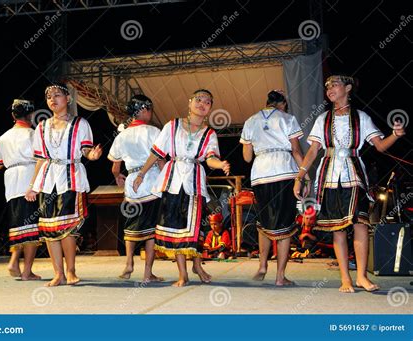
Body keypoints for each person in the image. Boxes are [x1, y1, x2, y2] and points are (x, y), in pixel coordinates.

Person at [293, 75, 405, 293]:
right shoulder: (322, 119)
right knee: (338, 228)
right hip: (328, 176)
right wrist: (300, 177)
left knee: (360, 223)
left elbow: (380, 146)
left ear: (348, 88)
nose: (329, 89)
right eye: (326, 86)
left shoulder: (361, 117)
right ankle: (345, 278)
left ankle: (362, 276)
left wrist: (395, 135)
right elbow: (313, 151)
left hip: (354, 174)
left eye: (334, 84)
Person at [133, 89, 230, 287]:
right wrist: (141, 174)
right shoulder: (172, 126)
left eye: (208, 102)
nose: (202, 104)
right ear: (189, 102)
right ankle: (183, 273)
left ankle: (197, 265)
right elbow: (157, 153)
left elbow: (210, 158)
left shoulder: (209, 133)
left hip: (194, 181)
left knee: (195, 228)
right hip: (172, 179)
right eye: (199, 99)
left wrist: (220, 165)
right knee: (174, 227)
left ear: (210, 108)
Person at [25, 83, 102, 287]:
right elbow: (40, 159)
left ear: (68, 99)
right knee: (50, 228)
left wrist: (92, 155)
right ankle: (58, 273)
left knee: (68, 227)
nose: (52, 99)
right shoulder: (41, 127)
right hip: (48, 179)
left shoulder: (80, 124)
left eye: (57, 95)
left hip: (71, 177)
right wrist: (33, 185)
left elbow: (86, 149)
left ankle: (71, 270)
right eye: (49, 96)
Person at [240, 90, 307, 286]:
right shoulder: (287, 118)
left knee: (264, 221)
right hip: (284, 170)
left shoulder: (251, 120)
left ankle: (262, 266)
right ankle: (280, 277)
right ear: (283, 104)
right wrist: (305, 175)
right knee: (285, 224)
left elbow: (246, 157)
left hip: (260, 173)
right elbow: (295, 150)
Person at [108, 94, 164, 282]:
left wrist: (118, 177)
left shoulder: (121, 135)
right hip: (151, 182)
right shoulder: (154, 131)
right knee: (150, 228)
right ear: (142, 110)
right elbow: (161, 159)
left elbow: (115, 167)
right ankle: (148, 273)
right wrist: (167, 180)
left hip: (132, 182)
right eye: (149, 109)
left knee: (131, 225)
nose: (150, 113)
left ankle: (129, 263)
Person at [0, 99, 41, 281]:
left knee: (19, 223)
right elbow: (42, 158)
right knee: (31, 227)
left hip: (11, 181)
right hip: (29, 177)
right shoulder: (33, 134)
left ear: (13, 116)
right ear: (31, 115)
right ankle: (26, 271)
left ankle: (14, 260)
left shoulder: (3, 137)